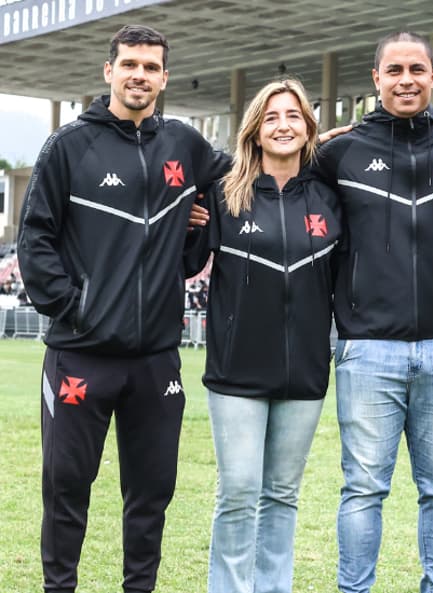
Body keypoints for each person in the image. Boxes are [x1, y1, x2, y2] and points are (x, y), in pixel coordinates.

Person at [17, 25, 230, 593]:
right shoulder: (68, 146)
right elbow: (35, 238)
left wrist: (318, 146)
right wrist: (74, 308)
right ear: (108, 71)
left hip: (156, 359)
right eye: (130, 63)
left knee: (152, 492)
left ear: (165, 77)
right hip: (81, 355)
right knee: (66, 488)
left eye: (151, 66)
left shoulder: (185, 145)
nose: (140, 74)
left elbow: (247, 171)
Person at [315, 31, 433, 593]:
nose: (405, 80)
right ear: (375, 79)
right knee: (363, 488)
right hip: (367, 348)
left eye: (415, 69)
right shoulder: (340, 153)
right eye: (393, 70)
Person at [187, 79, 341, 593]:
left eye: (293, 116)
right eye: (272, 116)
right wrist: (188, 223)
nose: (283, 125)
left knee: (281, 494)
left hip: (305, 372)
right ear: (255, 129)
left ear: (308, 128)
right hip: (236, 372)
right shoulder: (225, 193)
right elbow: (188, 261)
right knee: (238, 491)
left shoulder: (329, 197)